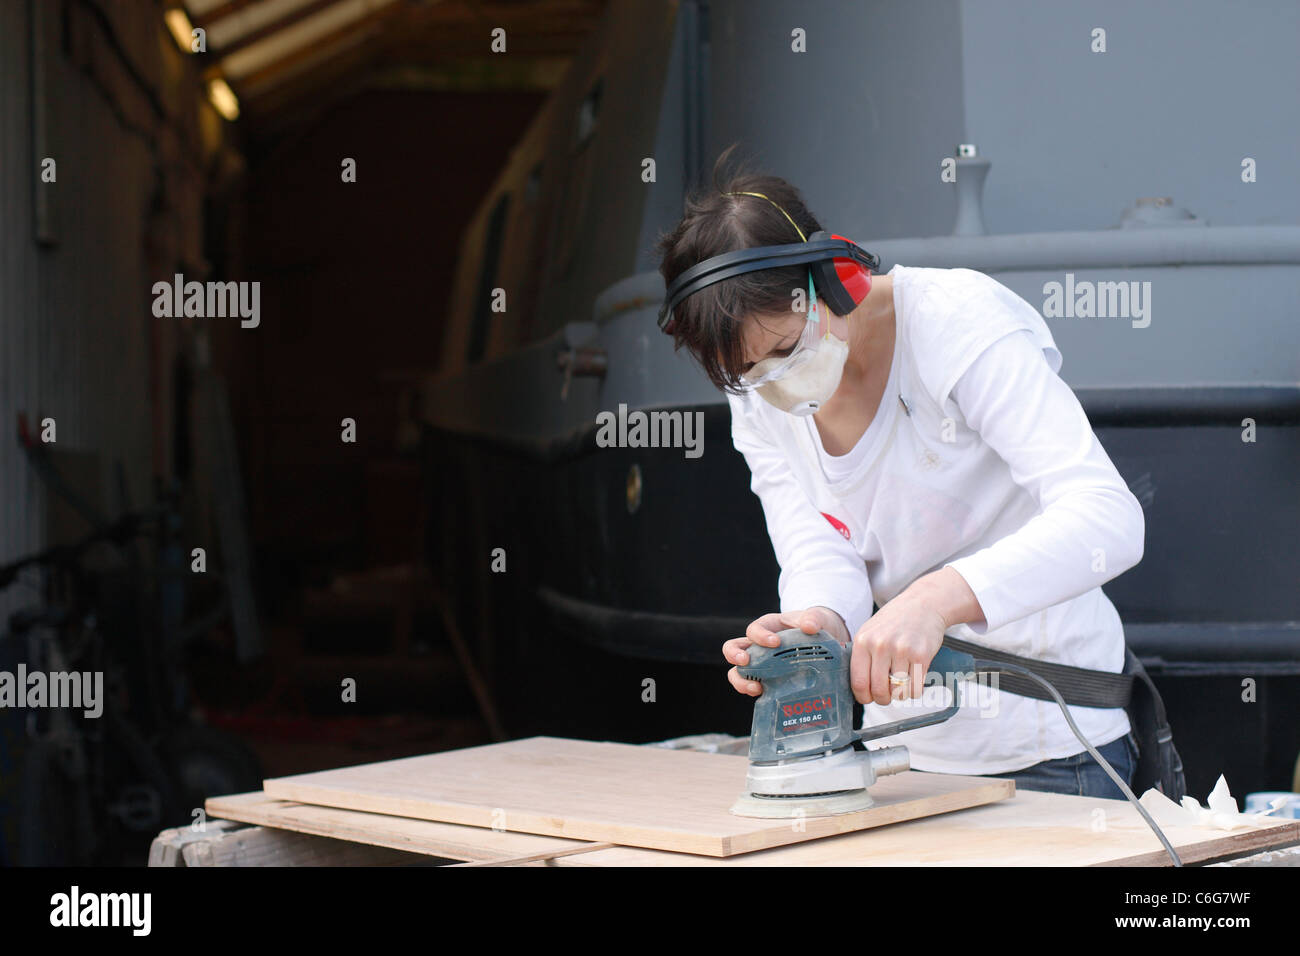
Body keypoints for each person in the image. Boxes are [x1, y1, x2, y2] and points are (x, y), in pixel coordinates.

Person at [654, 148, 1143, 798]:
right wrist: (814, 628)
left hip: (1054, 746)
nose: (773, 382)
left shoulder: (958, 324)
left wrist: (933, 601)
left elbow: (1108, 519)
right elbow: (819, 542)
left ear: (831, 279)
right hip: (900, 754)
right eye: (748, 372)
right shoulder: (758, 394)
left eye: (783, 349)